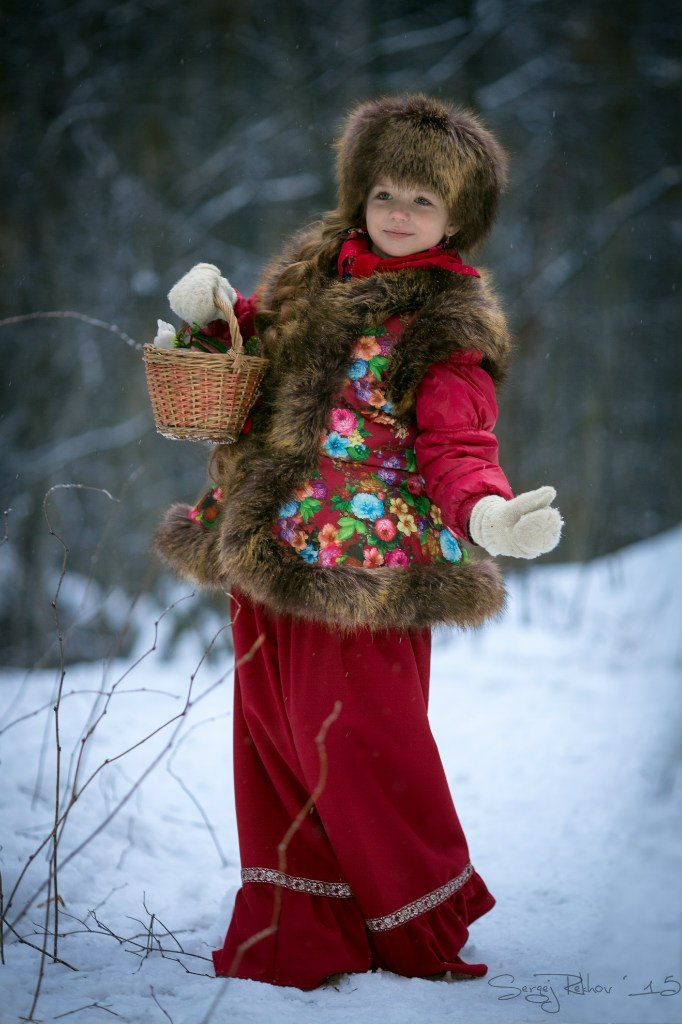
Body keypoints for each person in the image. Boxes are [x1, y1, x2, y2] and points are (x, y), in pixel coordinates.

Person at [154, 92, 564, 991]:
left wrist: (487, 515)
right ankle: (302, 929)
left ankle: (417, 926)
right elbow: (245, 342)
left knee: (363, 743)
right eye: (386, 194)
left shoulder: (446, 323)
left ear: (458, 217)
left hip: (368, 571)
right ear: (360, 196)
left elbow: (458, 441)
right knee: (277, 745)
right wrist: (207, 317)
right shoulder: (312, 274)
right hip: (266, 549)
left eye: (424, 201)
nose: (401, 215)